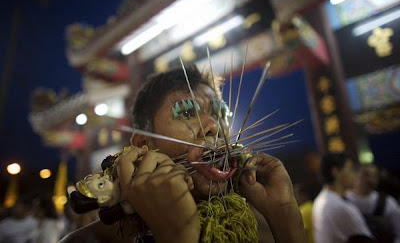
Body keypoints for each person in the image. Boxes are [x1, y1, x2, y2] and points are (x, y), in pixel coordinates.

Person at [61, 65, 306, 243]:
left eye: (221, 114)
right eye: (187, 113)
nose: (213, 126)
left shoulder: (261, 225)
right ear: (144, 144)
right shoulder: (90, 241)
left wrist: (285, 215)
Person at [312, 153, 373, 243]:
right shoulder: (340, 206)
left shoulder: (320, 200)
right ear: (336, 172)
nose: (355, 175)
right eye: (350, 169)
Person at [346, 163, 400, 243]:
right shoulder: (344, 201)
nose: (370, 180)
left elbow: (398, 233)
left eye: (374, 176)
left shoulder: (388, 203)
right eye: (366, 175)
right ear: (355, 175)